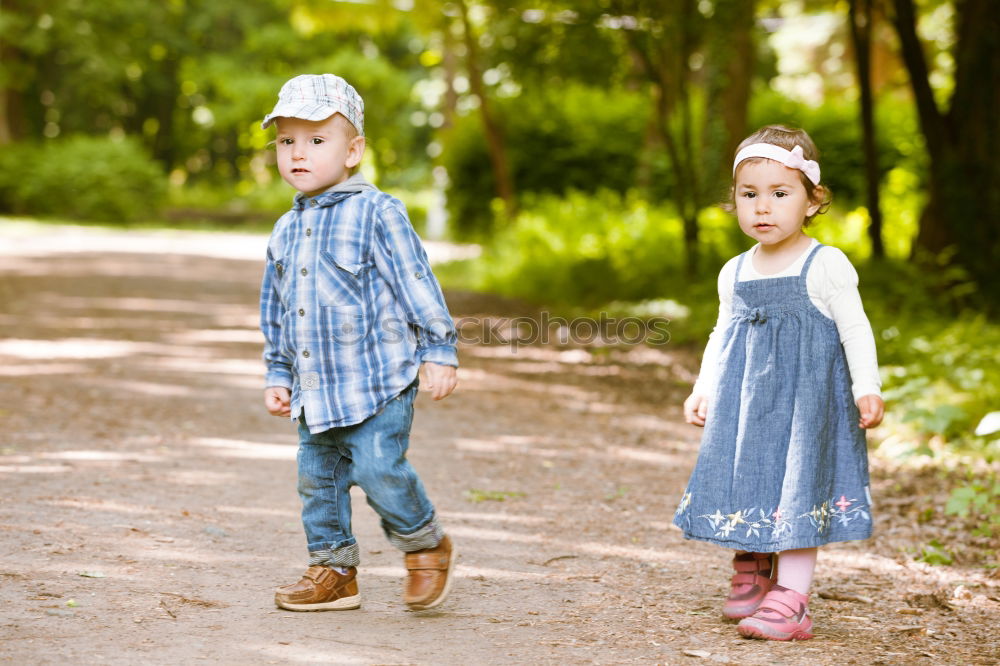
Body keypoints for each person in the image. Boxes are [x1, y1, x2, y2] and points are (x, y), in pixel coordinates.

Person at [673, 125, 884, 641]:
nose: (762, 208)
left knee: (796, 488)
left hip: (806, 407)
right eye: (750, 195)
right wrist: (704, 386)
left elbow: (855, 329)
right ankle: (752, 567)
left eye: (779, 194)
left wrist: (866, 387)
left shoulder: (825, 264)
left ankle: (791, 600)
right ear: (735, 202)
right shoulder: (735, 271)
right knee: (747, 475)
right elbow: (721, 334)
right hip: (746, 405)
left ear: (813, 201)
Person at [258, 73, 459, 612]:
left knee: (376, 468)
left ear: (354, 151)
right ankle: (334, 570)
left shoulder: (378, 212)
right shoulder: (284, 229)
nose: (298, 153)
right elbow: (277, 311)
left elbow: (418, 282)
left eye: (316, 140)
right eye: (286, 141)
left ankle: (425, 544)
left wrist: (438, 349)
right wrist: (278, 373)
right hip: (315, 388)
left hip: (378, 382)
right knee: (316, 482)